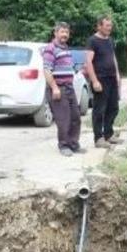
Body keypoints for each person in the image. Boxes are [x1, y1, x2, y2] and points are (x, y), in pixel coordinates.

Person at [42, 22, 84, 157]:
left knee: (75, 117)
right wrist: (54, 88)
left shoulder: (65, 48)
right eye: (62, 32)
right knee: (63, 119)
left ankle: (73, 143)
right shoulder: (51, 48)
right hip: (58, 88)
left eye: (66, 32)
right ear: (55, 33)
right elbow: (47, 70)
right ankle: (64, 145)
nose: (65, 35)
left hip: (69, 87)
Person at [85, 15, 122, 149]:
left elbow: (113, 57)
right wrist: (94, 81)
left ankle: (108, 134)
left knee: (113, 107)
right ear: (99, 26)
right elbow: (88, 61)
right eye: (106, 26)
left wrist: (117, 75)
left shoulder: (110, 40)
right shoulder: (92, 41)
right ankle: (98, 138)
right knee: (99, 110)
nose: (109, 28)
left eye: (110, 26)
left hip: (111, 78)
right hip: (100, 80)